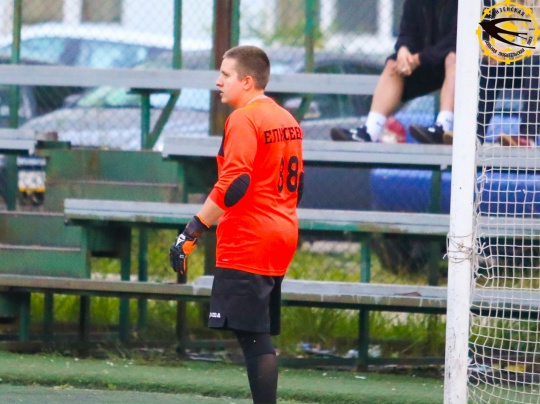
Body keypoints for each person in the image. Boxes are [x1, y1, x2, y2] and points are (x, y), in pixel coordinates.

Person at [169, 45, 304, 404]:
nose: (218, 81)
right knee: (255, 333)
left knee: (253, 337)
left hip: (250, 237)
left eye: (225, 75)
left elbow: (235, 182)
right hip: (282, 231)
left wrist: (192, 230)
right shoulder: (286, 119)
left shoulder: (244, 118)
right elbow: (299, 186)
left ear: (246, 82)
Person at [330, 0, 458, 144]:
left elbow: (457, 40)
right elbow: (407, 32)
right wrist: (403, 50)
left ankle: (442, 128)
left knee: (454, 58)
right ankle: (369, 132)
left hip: (460, 68)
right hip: (428, 62)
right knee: (393, 64)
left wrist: (418, 59)